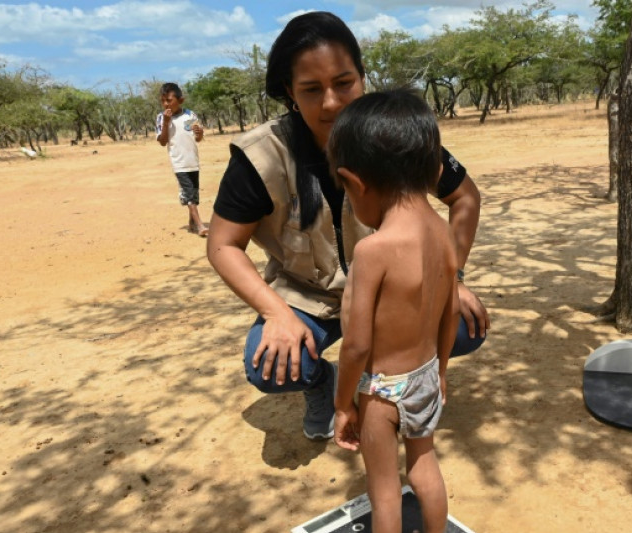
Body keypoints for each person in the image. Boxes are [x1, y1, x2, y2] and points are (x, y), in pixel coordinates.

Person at [206, 11, 489, 441]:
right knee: (269, 365)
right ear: (290, 93)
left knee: (465, 327)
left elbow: (464, 196)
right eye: (311, 90)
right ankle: (325, 383)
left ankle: (382, 389)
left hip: (388, 290)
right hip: (306, 296)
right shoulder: (261, 157)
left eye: (344, 83)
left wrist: (452, 275)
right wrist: (276, 313)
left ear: (362, 76)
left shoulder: (397, 136)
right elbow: (223, 245)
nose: (333, 102)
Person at [329, 90, 456, 533]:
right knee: (424, 464)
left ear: (355, 182)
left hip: (382, 390)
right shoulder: (443, 231)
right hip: (424, 376)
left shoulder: (373, 250)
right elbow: (451, 312)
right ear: (434, 170)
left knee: (384, 491)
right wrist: (439, 369)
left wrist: (343, 403)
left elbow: (358, 344)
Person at [156, 82, 208, 237]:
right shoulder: (161, 118)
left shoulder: (189, 115)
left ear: (181, 100)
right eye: (163, 101)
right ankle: (200, 225)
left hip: (193, 160)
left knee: (194, 192)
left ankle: (192, 222)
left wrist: (199, 133)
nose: (166, 104)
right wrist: (166, 123)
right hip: (178, 161)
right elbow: (162, 141)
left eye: (169, 100)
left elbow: (197, 138)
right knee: (188, 192)